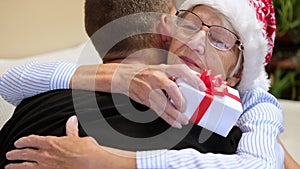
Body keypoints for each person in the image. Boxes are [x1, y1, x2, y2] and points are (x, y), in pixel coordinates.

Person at [2, 0, 293, 168]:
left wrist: (107, 163)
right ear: (166, 29)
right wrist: (122, 79)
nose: (196, 43)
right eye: (189, 25)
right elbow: (10, 80)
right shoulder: (210, 139)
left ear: (237, 75)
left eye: (219, 40)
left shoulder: (237, 124)